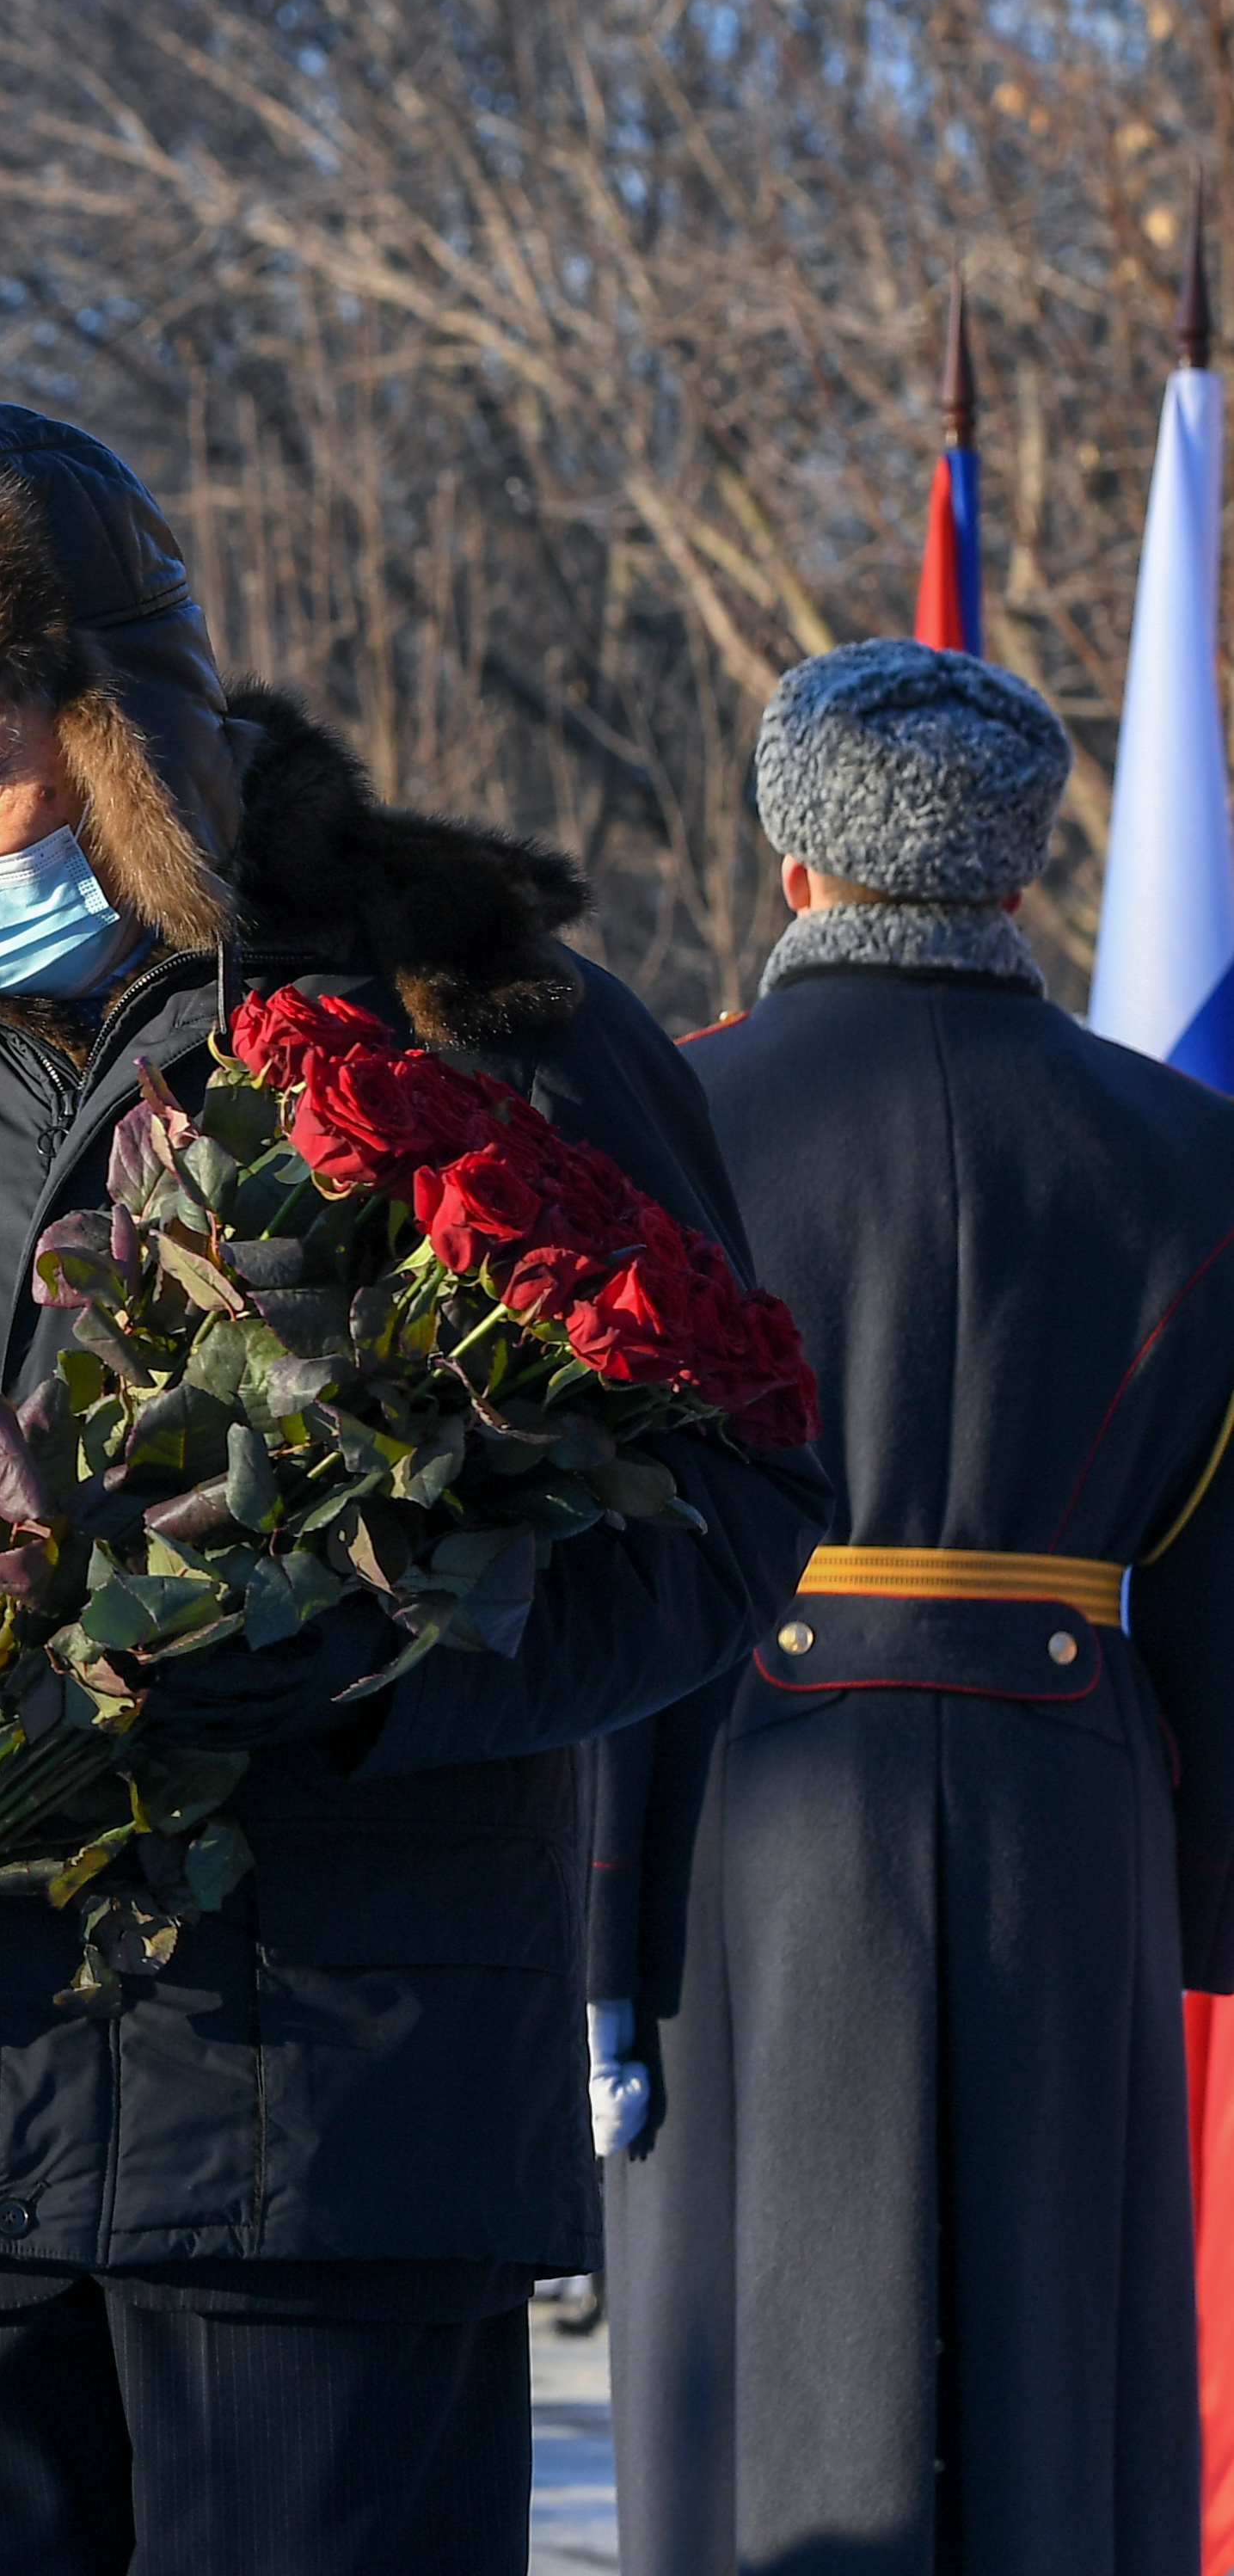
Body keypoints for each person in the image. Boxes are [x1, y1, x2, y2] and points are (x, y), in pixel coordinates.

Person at [0, 404, 832, 2576]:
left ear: (122, 734)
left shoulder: (467, 1031)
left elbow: (723, 1496)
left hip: (334, 2112)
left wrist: (379, 1662)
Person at [584, 640, 1234, 2573]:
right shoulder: (1196, 1151)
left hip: (740, 1799)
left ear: (796, 865)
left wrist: (584, 1908)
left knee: (755, 2391)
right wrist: (1204, 1904)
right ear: (1020, 876)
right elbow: (1215, 1578)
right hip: (1072, 1816)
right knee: (1063, 2388)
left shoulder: (659, 1121)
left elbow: (606, 1555)